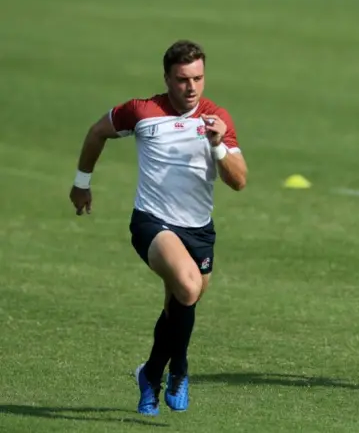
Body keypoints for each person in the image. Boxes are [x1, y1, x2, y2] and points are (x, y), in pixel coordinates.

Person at [69, 40, 248, 415]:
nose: (191, 87)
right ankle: (179, 370)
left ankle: (151, 373)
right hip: (152, 222)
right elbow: (96, 132)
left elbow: (239, 180)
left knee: (180, 305)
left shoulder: (217, 119)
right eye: (183, 79)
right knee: (187, 285)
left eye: (198, 78)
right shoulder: (142, 111)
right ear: (167, 78)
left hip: (198, 231)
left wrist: (217, 145)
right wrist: (82, 183)